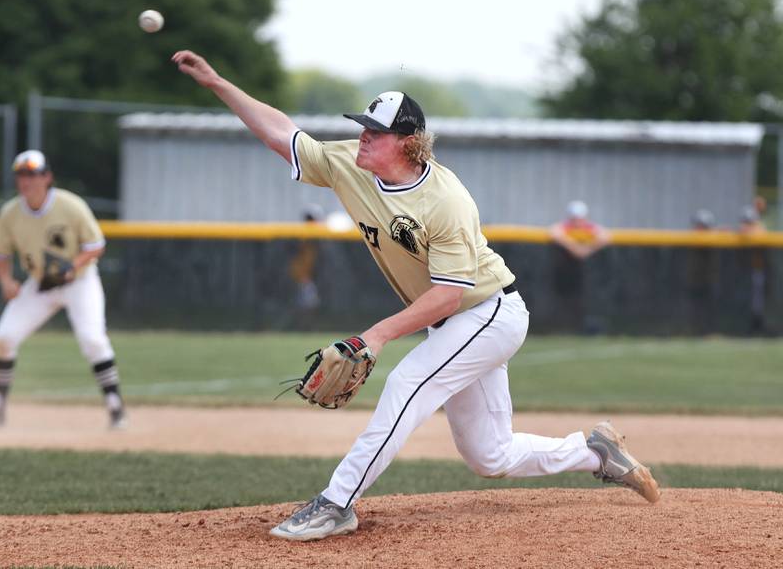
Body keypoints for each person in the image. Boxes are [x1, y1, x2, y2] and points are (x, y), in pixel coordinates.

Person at [173, 49, 660, 541]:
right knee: (489, 456)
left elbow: (450, 296)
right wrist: (217, 82)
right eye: (363, 126)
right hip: (454, 322)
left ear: (407, 143)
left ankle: (337, 503)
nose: (362, 136)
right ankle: (594, 452)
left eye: (374, 131)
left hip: (488, 313)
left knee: (407, 382)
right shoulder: (351, 162)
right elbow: (284, 134)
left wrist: (376, 336)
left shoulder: (446, 201)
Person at [0, 150, 126, 429]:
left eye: (33, 174)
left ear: (47, 177)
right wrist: (6, 281)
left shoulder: (70, 205)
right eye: (21, 174)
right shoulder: (11, 212)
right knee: (3, 337)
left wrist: (73, 265)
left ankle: (115, 406)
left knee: (93, 339)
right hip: (40, 284)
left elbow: (96, 244)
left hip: (79, 282)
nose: (26, 180)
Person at [549, 201, 610, 334]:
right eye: (574, 218)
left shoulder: (590, 228)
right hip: (564, 273)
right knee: (565, 300)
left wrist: (587, 249)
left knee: (584, 302)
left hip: (587, 277)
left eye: (580, 218)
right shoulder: (565, 227)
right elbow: (554, 232)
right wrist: (576, 248)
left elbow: (605, 236)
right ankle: (563, 328)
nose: (577, 221)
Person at [737, 203, 770, 335]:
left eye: (749, 222)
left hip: (758, 271)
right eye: (745, 221)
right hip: (744, 272)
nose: (746, 224)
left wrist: (749, 229)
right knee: (745, 301)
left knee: (757, 302)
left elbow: (758, 233)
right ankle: (745, 325)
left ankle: (757, 326)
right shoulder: (741, 230)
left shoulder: (760, 229)